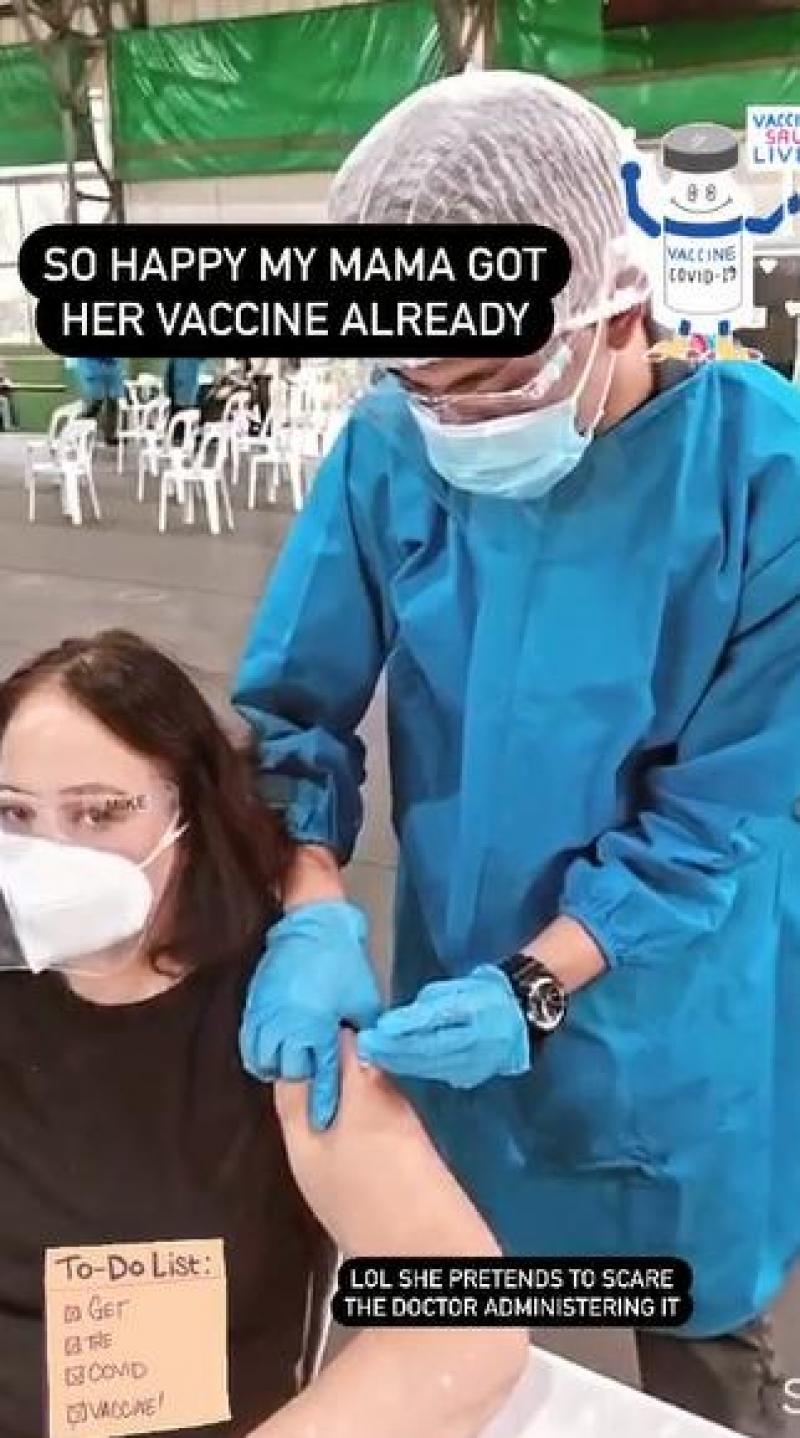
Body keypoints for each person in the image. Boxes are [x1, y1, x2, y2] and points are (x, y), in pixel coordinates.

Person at [232, 70, 800, 1438]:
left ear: (616, 304)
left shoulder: (759, 473)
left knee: (700, 1334)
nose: (459, 426)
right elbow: (294, 711)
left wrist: (539, 983)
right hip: (455, 975)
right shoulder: (390, 446)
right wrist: (310, 904)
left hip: (676, 1006)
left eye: (493, 384)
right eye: (422, 386)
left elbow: (720, 810)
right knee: (455, 1322)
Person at [0, 630, 526, 1438]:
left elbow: (465, 1322)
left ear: (188, 812)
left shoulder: (282, 1024)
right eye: (15, 813)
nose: (51, 854)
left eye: (99, 812)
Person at [75, 356, 125, 446]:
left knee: (113, 403)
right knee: (95, 403)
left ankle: (110, 435)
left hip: (112, 369)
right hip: (94, 368)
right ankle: (76, 430)